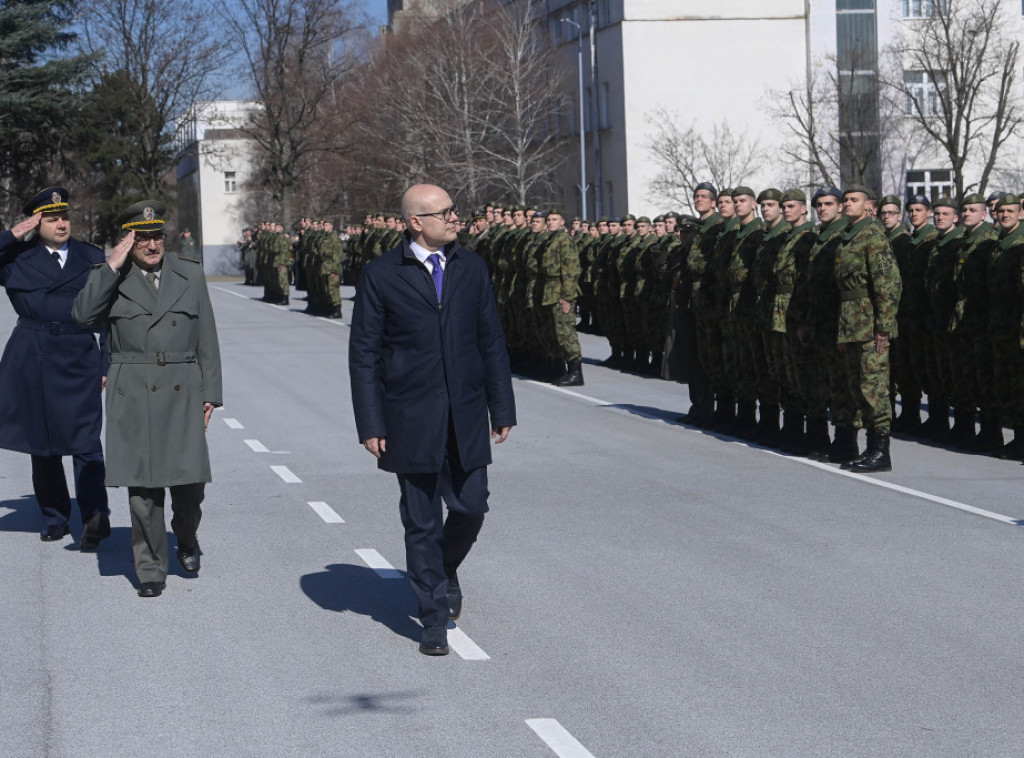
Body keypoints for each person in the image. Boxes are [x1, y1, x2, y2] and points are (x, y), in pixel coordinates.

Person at [349, 183, 516, 656]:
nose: (454, 219)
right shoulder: (382, 274)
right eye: (443, 213)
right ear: (415, 222)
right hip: (410, 418)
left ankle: (442, 568)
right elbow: (364, 355)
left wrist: (502, 408)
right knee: (421, 521)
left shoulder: (472, 268)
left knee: (471, 507)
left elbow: (491, 341)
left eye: (454, 211)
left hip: (465, 413)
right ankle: (432, 617)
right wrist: (371, 424)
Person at [72, 201, 222, 598]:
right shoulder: (110, 278)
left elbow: (206, 336)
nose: (152, 244)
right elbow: (84, 317)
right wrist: (111, 266)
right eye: (142, 237)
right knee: (142, 491)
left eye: (157, 236)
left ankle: (186, 538)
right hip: (132, 389)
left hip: (182, 386)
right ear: (128, 239)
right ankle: (151, 569)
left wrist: (212, 394)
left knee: (190, 488)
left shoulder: (188, 273)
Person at [0, 187, 110, 545]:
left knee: (86, 441)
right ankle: (54, 516)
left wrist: (106, 360)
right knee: (42, 443)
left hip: (79, 353)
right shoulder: (17, 256)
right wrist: (13, 234)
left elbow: (111, 315)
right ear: (35, 223)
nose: (61, 223)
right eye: (51, 218)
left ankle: (95, 515)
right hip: (32, 355)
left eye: (64, 216)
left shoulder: (91, 257)